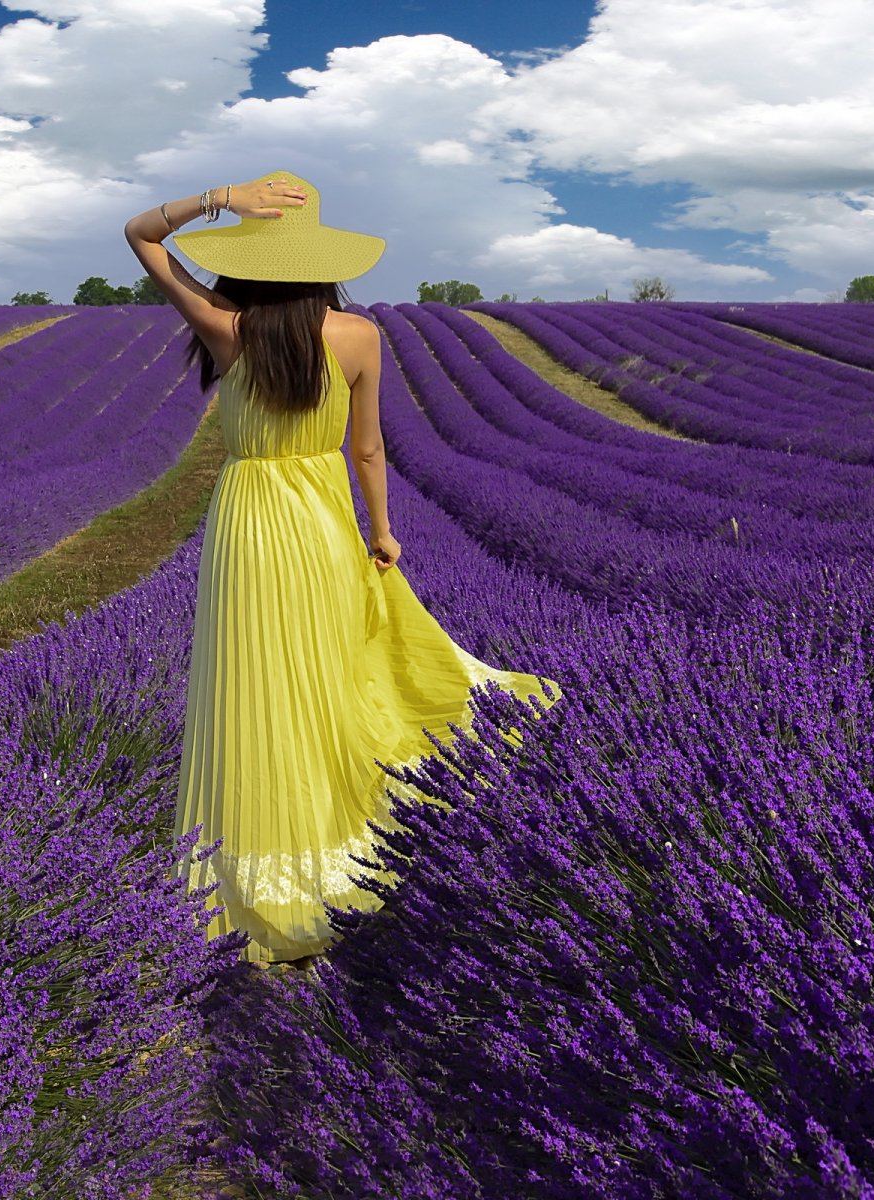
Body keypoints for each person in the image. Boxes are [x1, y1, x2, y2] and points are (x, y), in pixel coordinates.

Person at [124, 172, 562, 973]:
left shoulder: (229, 326)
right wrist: (384, 532)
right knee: (327, 676)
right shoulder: (360, 335)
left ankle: (252, 872)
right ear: (322, 259)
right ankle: (334, 851)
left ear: (252, 259)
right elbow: (366, 448)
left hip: (250, 524)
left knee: (251, 683)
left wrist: (218, 200)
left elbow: (141, 236)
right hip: (323, 521)